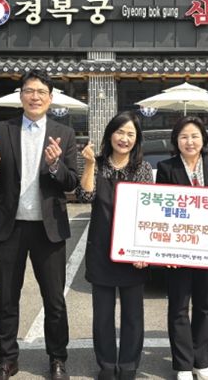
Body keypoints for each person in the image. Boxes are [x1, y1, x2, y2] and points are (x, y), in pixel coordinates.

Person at [0, 70, 79, 380]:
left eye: (41, 92)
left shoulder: (64, 133)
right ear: (21, 95)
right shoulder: (2, 129)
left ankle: (58, 359)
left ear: (50, 98)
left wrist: (54, 165)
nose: (35, 96)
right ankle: (7, 360)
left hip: (47, 228)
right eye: (29, 91)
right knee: (7, 298)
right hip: (9, 226)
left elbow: (71, 182)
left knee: (54, 300)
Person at [76, 111, 153, 380]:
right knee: (102, 315)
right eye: (120, 132)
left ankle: (129, 364)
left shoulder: (142, 168)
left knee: (133, 314)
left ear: (137, 139)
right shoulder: (96, 163)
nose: (124, 138)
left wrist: (144, 250)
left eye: (131, 134)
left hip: (132, 250)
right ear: (110, 134)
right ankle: (107, 365)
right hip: (101, 248)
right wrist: (88, 165)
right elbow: (85, 196)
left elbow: (147, 213)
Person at [155, 116, 208, 380]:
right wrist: (167, 249)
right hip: (179, 250)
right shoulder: (166, 167)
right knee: (179, 307)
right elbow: (162, 210)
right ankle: (183, 364)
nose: (190, 141)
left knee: (205, 305)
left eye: (195, 136)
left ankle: (201, 360)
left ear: (203, 139)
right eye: (184, 136)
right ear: (176, 141)